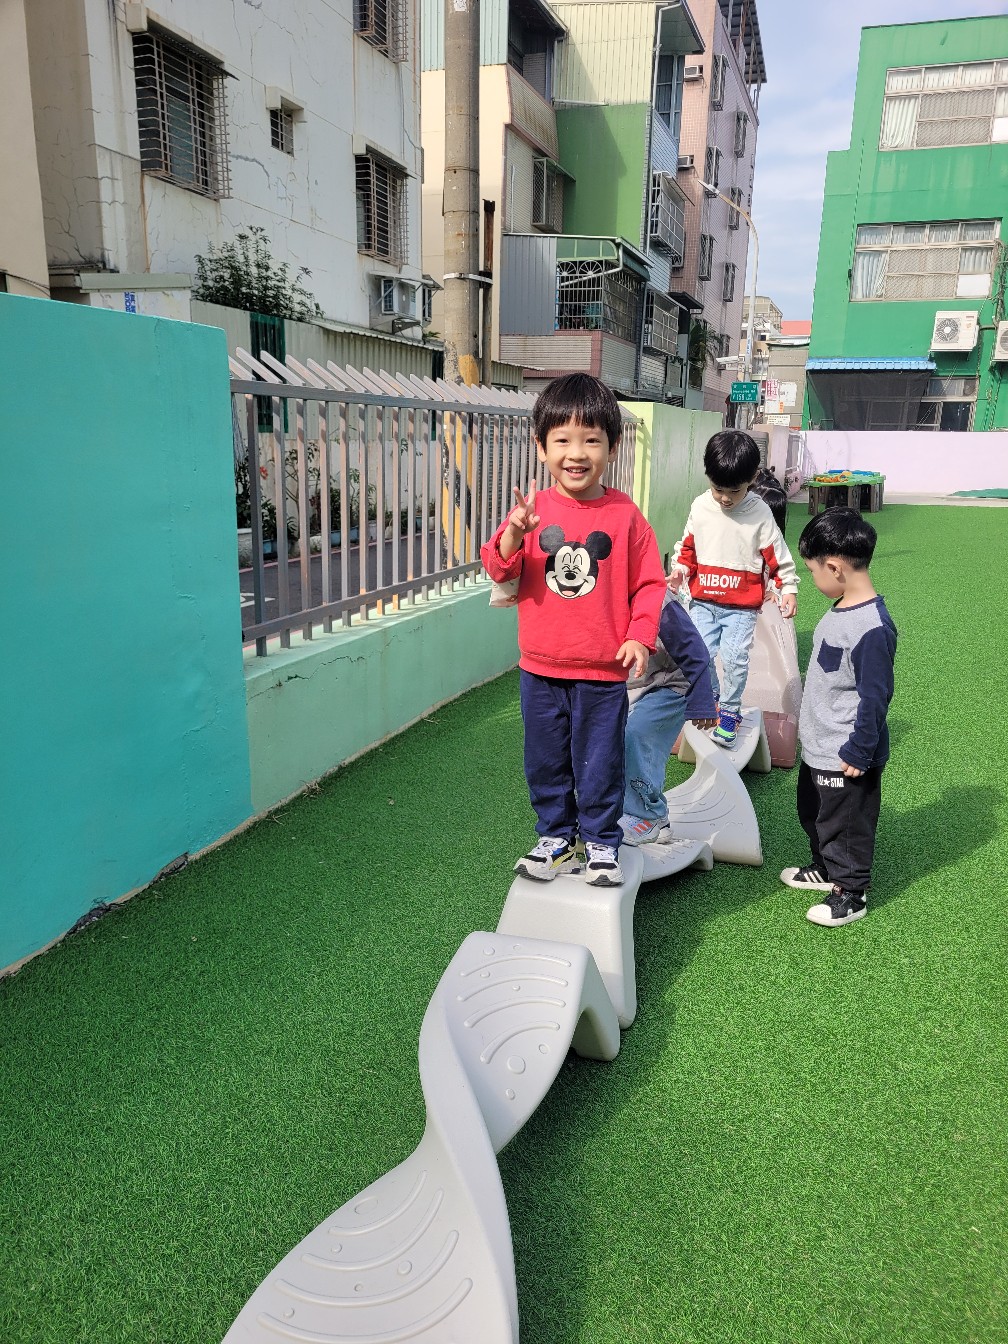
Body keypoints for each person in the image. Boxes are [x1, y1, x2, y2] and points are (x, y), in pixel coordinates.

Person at [480, 373, 666, 887]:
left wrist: (639, 635)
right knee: (545, 761)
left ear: (612, 446)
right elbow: (498, 568)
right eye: (562, 440)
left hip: (602, 674)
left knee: (599, 762)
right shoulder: (531, 512)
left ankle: (602, 841)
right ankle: (556, 838)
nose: (576, 453)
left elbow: (650, 584)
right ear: (541, 447)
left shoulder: (625, 516)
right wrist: (513, 532)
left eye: (591, 440)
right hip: (539, 670)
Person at [781, 508, 897, 927]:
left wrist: (859, 750)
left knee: (845, 825)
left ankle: (851, 891)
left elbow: (876, 697)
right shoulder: (842, 607)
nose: (813, 580)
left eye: (812, 571)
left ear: (834, 567)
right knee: (815, 812)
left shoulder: (872, 628)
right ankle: (826, 868)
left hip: (846, 753)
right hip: (820, 745)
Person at [670, 430, 798, 746]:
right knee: (698, 654)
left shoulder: (760, 512)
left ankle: (729, 711)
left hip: (740, 606)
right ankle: (712, 695)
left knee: (734, 658)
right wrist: (679, 570)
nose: (725, 498)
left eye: (734, 491)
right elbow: (687, 547)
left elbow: (777, 554)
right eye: (718, 489)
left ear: (752, 479)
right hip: (702, 600)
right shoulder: (701, 506)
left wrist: (787, 587)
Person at [620, 593, 718, 845]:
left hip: (672, 682)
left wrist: (703, 700)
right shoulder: (589, 590)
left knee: (637, 734)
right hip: (629, 683)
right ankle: (651, 820)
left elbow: (694, 649)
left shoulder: (658, 600)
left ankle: (647, 816)